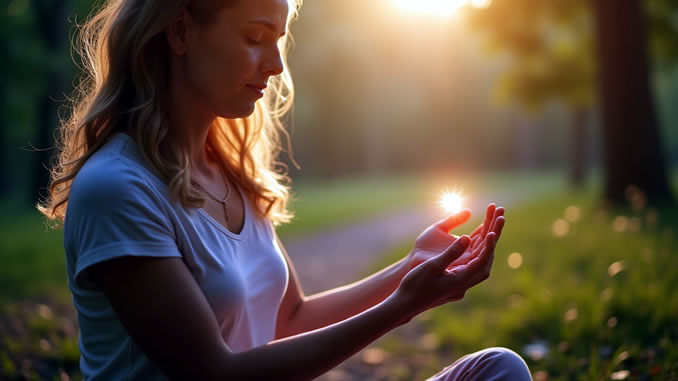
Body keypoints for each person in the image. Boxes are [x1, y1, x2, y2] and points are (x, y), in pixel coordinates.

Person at [38, 0, 532, 379]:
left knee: (499, 369)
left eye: (280, 39)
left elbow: (290, 318)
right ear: (181, 29)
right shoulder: (117, 189)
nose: (275, 64)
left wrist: (409, 268)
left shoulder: (229, 171)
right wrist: (403, 306)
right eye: (256, 37)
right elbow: (215, 373)